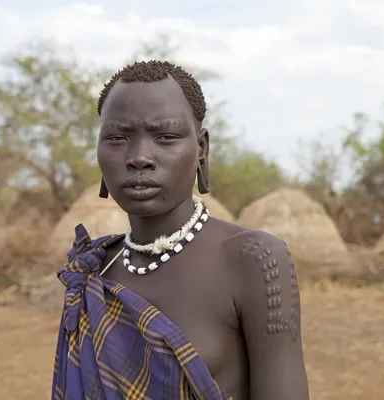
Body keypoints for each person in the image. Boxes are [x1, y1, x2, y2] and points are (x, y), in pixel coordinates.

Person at [52, 60, 309, 400]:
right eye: (117, 138)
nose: (139, 157)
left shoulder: (253, 260)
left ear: (201, 150)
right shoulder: (94, 270)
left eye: (165, 137)